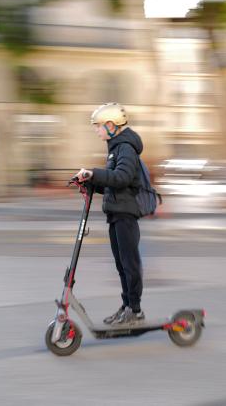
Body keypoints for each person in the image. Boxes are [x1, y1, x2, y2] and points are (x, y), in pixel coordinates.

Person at [74, 102, 145, 325]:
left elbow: (122, 178)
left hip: (126, 214)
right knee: (121, 264)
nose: (96, 130)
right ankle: (126, 307)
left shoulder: (126, 148)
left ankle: (135, 310)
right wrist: (91, 182)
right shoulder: (116, 148)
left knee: (129, 263)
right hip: (116, 213)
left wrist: (94, 173)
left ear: (111, 125)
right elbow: (115, 183)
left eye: (98, 126)